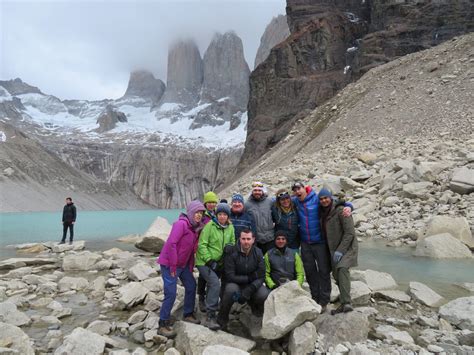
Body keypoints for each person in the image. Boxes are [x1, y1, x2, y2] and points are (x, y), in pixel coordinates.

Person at [291, 181, 352, 312]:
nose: (297, 191)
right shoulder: (295, 201)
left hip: (320, 242)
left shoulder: (317, 199)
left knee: (324, 272)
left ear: (305, 188)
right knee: (310, 272)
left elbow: (335, 202)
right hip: (305, 242)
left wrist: (349, 206)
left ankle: (324, 301)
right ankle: (315, 297)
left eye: (299, 188)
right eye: (295, 190)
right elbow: (279, 201)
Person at [156, 200, 206, 337]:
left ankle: (188, 313)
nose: (199, 215)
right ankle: (162, 324)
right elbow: (172, 244)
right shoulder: (181, 224)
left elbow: (190, 250)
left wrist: (190, 267)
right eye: (197, 212)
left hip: (183, 265)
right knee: (171, 293)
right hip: (169, 264)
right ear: (191, 212)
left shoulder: (194, 228)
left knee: (191, 285)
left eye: (201, 213)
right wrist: (173, 265)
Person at [218, 229, 269, 330]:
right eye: (244, 239)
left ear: (253, 240)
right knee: (230, 291)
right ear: (239, 239)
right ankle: (222, 319)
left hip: (251, 284)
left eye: (248, 239)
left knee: (263, 294)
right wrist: (249, 278)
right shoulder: (232, 252)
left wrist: (249, 289)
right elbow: (230, 276)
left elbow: (261, 275)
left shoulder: (258, 252)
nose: (246, 241)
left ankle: (255, 310)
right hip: (235, 283)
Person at [196, 203, 235, 330]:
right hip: (204, 262)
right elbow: (202, 245)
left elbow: (232, 242)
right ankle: (210, 316)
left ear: (228, 216)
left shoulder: (230, 227)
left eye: (224, 214)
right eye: (220, 214)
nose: (222, 217)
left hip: (220, 262)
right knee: (214, 283)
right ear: (216, 215)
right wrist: (209, 260)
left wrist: (230, 248)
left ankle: (211, 305)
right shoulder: (210, 226)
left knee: (217, 283)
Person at [318, 188, 358, 315]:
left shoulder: (342, 211)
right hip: (333, 248)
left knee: (342, 269)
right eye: (321, 199)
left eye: (326, 198)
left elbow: (350, 233)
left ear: (331, 198)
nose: (324, 200)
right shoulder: (322, 212)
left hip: (348, 247)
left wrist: (340, 250)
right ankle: (343, 302)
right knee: (336, 274)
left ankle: (347, 302)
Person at [198, 190, 219, 311]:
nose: (211, 204)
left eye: (213, 202)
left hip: (214, 248)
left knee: (211, 274)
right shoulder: (203, 215)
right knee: (203, 274)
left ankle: (209, 297)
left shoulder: (217, 214)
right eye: (209, 202)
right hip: (204, 247)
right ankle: (201, 298)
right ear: (205, 203)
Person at [245, 182, 274, 254]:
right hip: (256, 241)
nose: (257, 192)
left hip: (270, 239)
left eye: (259, 190)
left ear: (262, 191)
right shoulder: (247, 205)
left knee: (271, 262)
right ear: (252, 192)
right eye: (255, 190)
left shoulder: (270, 202)